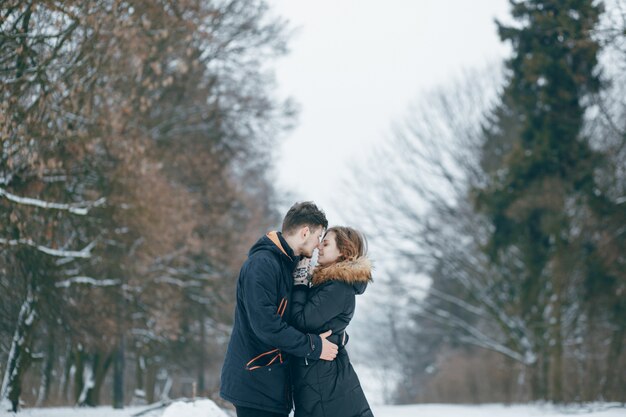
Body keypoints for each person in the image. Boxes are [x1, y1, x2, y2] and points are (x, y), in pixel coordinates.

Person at [220, 202, 340, 417]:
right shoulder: (262, 264)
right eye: (318, 237)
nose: (317, 246)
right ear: (305, 232)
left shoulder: (286, 266)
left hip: (271, 386)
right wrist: (313, 347)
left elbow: (296, 318)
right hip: (255, 385)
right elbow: (266, 325)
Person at [290, 226, 374, 417]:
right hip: (320, 377)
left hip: (324, 385)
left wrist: (300, 281)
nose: (319, 246)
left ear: (343, 251)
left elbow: (300, 321)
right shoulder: (329, 284)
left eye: (326, 243)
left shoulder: (338, 287)